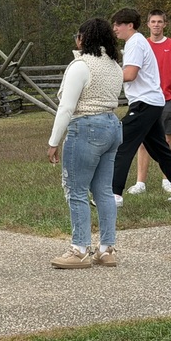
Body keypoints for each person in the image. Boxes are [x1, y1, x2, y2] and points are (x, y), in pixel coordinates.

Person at [47, 18, 124, 268]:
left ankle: (79, 249)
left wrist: (53, 140)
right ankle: (107, 249)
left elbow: (67, 106)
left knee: (76, 189)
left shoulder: (81, 65)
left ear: (84, 38)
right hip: (112, 126)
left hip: (86, 128)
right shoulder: (115, 65)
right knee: (103, 191)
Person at [110, 8, 171, 205]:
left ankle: (114, 195)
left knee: (122, 144)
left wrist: (106, 77)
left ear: (129, 25)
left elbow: (130, 74)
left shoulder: (135, 44)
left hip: (144, 103)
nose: (114, 29)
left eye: (117, 25)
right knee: (161, 150)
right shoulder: (137, 42)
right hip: (152, 102)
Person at [126, 9, 171, 196]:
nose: (156, 25)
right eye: (153, 21)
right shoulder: (143, 45)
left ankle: (167, 179)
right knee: (143, 141)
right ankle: (140, 182)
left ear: (164, 24)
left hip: (165, 99)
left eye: (160, 21)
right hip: (146, 99)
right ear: (148, 24)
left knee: (165, 140)